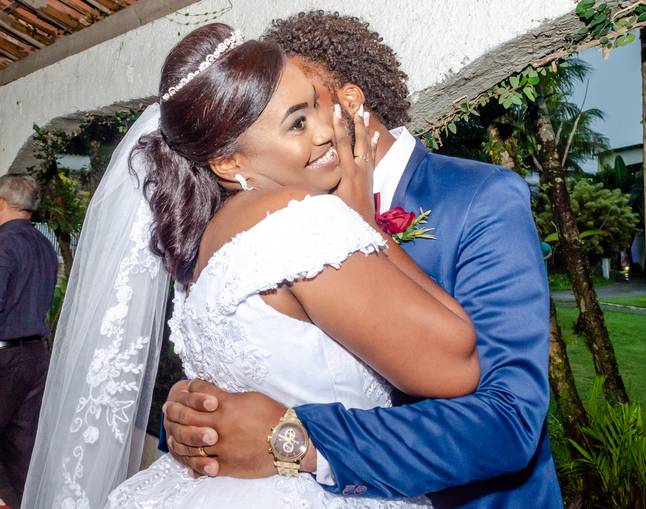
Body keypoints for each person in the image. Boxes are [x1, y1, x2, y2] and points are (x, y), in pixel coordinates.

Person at [24, 22, 481, 509]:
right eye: (297, 123)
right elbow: (456, 366)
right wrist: (365, 227)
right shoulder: (301, 221)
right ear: (228, 162)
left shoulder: (210, 237)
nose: (326, 131)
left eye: (317, 106)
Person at [162, 11, 562, 509]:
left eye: (311, 108)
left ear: (349, 101)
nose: (316, 132)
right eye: (294, 120)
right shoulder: (270, 220)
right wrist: (191, 420)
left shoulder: (480, 197)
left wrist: (297, 441)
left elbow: (507, 419)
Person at [0, 174, 58, 505]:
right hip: (36, 357)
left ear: (1, 203)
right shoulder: (44, 246)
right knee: (23, 451)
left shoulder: (4, 244)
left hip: (5, 357)